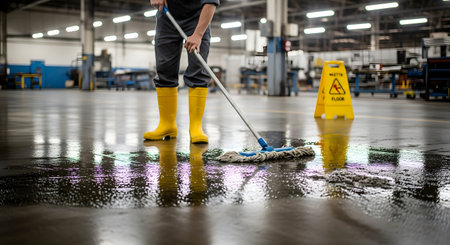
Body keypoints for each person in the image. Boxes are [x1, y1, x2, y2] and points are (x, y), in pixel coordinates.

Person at [144, 0, 219, 144]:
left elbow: (211, 2)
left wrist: (198, 35)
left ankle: (196, 127)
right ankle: (167, 125)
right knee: (164, 68)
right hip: (167, 15)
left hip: (197, 18)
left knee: (198, 69)